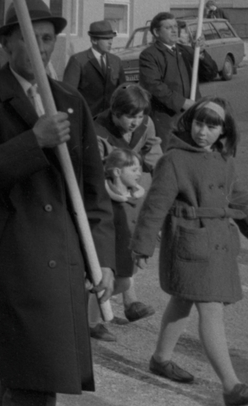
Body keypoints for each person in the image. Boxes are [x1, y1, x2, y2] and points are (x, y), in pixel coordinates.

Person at [0, 0, 114, 405]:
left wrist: (103, 256)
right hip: (12, 263)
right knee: (30, 380)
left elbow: (93, 187)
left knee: (36, 381)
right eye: (29, 37)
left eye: (47, 38)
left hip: (64, 262)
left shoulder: (70, 103)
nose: (40, 46)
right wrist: (33, 141)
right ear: (7, 42)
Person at [131, 97, 248, 406]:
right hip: (189, 244)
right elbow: (155, 207)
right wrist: (142, 247)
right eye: (199, 123)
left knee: (183, 300)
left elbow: (241, 200)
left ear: (224, 132)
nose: (202, 132)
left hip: (217, 245)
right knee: (210, 307)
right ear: (189, 122)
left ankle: (160, 358)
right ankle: (231, 385)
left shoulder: (224, 160)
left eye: (212, 126)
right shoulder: (173, 160)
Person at [90, 84, 161, 330]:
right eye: (130, 117)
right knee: (109, 252)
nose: (136, 122)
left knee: (129, 245)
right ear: (114, 112)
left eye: (140, 116)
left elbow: (153, 149)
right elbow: (97, 170)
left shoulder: (145, 123)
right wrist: (121, 181)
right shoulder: (97, 131)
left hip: (132, 192)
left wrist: (152, 171)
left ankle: (129, 302)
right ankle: (93, 314)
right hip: (109, 197)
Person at [87, 147, 147, 342]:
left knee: (123, 282)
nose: (139, 174)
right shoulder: (103, 198)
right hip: (107, 252)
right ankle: (92, 323)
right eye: (134, 170)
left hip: (125, 252)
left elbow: (142, 221)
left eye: (139, 169)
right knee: (107, 284)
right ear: (117, 172)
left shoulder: (137, 195)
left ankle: (87, 308)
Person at [139, 12, 217, 146]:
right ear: (157, 33)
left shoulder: (186, 51)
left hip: (192, 115)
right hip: (167, 118)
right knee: (169, 154)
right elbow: (154, 85)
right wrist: (182, 102)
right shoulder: (149, 55)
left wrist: (202, 53)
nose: (175, 30)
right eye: (168, 28)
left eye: (175, 27)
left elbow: (210, 73)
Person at [62, 20, 123, 116]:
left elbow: (122, 91)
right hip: (87, 119)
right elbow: (68, 94)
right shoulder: (78, 60)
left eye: (111, 38)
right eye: (106, 39)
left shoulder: (116, 61)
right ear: (94, 40)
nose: (110, 42)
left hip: (110, 120)